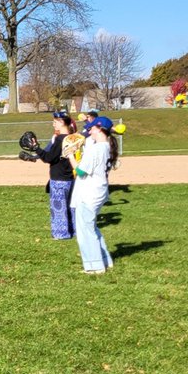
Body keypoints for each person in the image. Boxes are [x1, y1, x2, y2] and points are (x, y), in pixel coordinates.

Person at [68, 115, 115, 273]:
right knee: (92, 227)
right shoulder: (107, 146)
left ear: (100, 129)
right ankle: (105, 260)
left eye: (93, 127)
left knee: (85, 231)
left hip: (89, 193)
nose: (90, 130)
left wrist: (69, 155)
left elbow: (80, 171)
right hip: (99, 191)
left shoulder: (95, 149)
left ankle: (95, 266)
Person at [30, 112, 76, 239]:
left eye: (55, 121)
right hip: (70, 177)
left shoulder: (60, 139)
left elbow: (49, 158)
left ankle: (61, 234)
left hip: (59, 178)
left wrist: (36, 148)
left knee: (58, 207)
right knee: (71, 206)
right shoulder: (72, 138)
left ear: (62, 122)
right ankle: (74, 230)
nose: (53, 124)